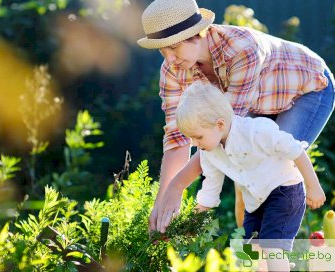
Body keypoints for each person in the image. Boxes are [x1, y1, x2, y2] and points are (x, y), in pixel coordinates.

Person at [137, 0, 335, 230]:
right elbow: (176, 138)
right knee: (245, 180)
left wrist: (179, 185)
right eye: (162, 50)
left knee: (270, 169)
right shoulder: (172, 70)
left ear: (196, 34)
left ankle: (274, 252)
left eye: (173, 47)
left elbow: (225, 128)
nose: (168, 59)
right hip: (259, 102)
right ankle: (250, 259)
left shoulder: (243, 49)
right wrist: (164, 198)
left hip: (307, 89)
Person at [174, 82, 325, 271]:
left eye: (198, 137)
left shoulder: (256, 130)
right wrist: (191, 224)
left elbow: (295, 150)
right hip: (256, 202)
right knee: (251, 251)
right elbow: (209, 192)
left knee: (272, 246)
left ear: (219, 124)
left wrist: (313, 186)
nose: (195, 143)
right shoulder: (209, 153)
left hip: (285, 191)